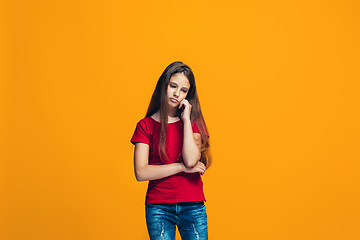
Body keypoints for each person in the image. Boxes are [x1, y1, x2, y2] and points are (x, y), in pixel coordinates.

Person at [130, 61, 211, 240]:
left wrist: (187, 120)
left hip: (192, 205)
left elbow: (191, 160)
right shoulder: (145, 126)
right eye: (173, 86)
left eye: (183, 90)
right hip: (159, 207)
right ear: (163, 85)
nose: (177, 93)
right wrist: (180, 168)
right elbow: (141, 172)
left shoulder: (194, 123)